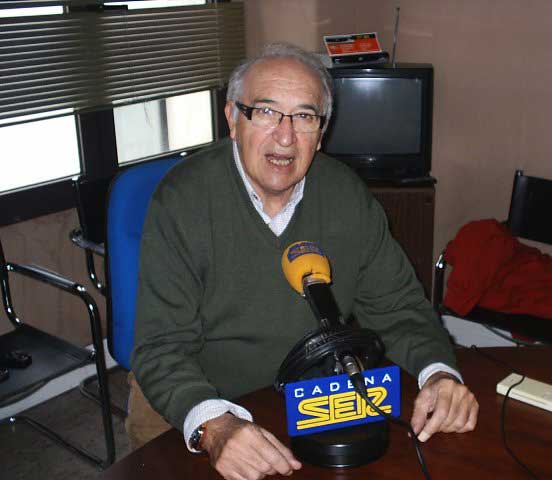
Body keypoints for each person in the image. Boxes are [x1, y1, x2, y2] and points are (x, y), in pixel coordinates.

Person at [130, 42, 479, 480]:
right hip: (196, 399)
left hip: (309, 398)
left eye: (305, 117)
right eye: (266, 112)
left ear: (323, 130)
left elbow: (399, 308)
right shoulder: (182, 202)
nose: (286, 135)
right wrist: (215, 425)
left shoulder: (346, 196)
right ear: (232, 119)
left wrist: (439, 374)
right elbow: (162, 347)